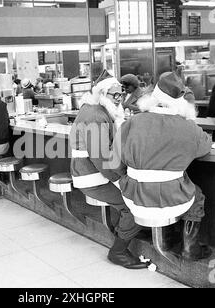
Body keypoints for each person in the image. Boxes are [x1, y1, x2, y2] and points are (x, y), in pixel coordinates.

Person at [112, 72, 212, 261]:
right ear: (181, 103)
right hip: (173, 199)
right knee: (197, 196)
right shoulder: (188, 127)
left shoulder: (132, 122)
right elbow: (205, 146)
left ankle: (155, 238)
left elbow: (114, 160)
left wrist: (124, 180)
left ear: (152, 98)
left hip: (134, 196)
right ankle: (190, 248)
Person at [69, 75, 147, 269]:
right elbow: (101, 157)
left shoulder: (94, 109)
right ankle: (118, 252)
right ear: (102, 94)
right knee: (133, 206)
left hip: (91, 172)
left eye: (121, 94)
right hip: (92, 176)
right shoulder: (96, 115)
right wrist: (120, 178)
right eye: (115, 95)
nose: (119, 99)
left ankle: (129, 231)